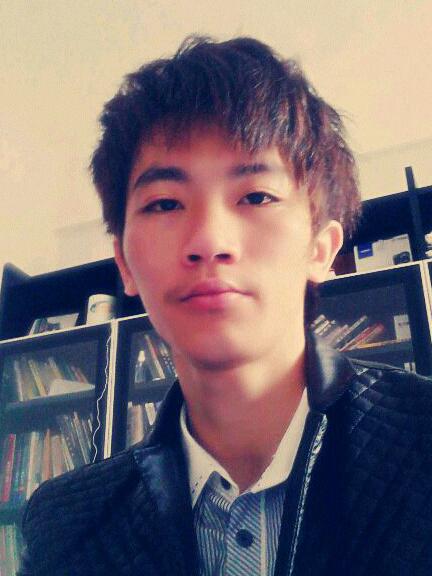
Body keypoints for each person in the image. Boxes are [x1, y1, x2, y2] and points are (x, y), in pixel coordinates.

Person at [19, 36, 432, 576]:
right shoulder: (65, 527)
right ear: (124, 264)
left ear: (321, 248)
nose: (209, 240)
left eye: (256, 196)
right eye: (165, 203)